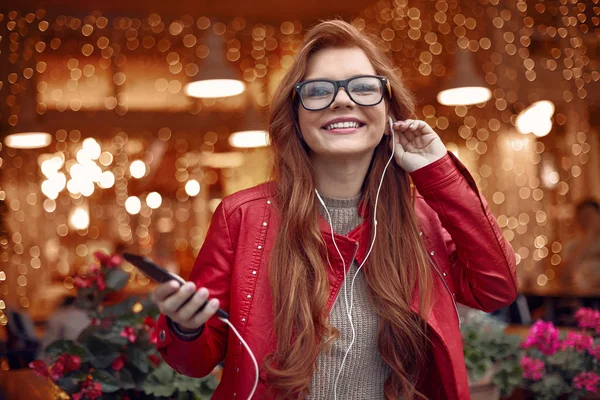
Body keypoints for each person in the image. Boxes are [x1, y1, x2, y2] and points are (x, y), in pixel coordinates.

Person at [151, 20, 517, 400]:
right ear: (295, 116)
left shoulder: (420, 218)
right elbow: (193, 363)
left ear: (389, 110)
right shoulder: (241, 216)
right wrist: (186, 328)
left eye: (362, 88)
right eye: (319, 90)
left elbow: (495, 288)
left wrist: (438, 173)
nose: (343, 100)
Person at [562, 199, 600, 290]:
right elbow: (564, 277)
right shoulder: (571, 246)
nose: (587, 221)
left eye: (590, 216)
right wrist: (587, 239)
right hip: (580, 296)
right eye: (583, 217)